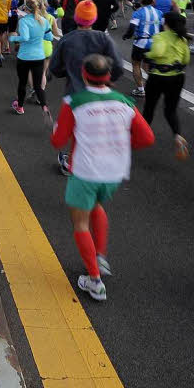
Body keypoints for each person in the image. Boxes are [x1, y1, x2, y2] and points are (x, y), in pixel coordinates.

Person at [50, 53, 155, 302]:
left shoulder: (73, 102)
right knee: (96, 205)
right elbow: (147, 138)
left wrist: (57, 128)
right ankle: (101, 257)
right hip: (114, 172)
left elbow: (58, 141)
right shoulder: (125, 102)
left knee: (80, 224)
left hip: (85, 171)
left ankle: (95, 281)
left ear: (84, 75)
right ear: (108, 76)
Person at [48, 1, 125, 174]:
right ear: (94, 18)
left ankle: (72, 162)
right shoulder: (104, 38)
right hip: (100, 94)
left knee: (75, 130)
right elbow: (118, 66)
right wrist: (106, 80)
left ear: (76, 18)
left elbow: (55, 68)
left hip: (73, 93)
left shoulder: (67, 39)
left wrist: (68, 71)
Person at [142, 12, 191, 160]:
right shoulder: (182, 39)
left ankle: (142, 135)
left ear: (166, 23)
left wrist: (148, 56)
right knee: (170, 110)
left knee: (149, 108)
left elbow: (157, 51)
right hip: (177, 77)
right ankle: (178, 136)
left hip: (158, 77)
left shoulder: (160, 36)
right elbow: (186, 59)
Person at [9, 0, 53, 118]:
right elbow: (49, 38)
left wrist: (13, 38)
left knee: (22, 83)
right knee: (38, 86)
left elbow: (25, 38)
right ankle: (44, 107)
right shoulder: (44, 20)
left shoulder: (24, 21)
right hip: (39, 56)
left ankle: (20, 107)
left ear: (26, 8)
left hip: (24, 56)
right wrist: (38, 36)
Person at [123, 0, 163, 97]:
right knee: (149, 66)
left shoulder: (138, 13)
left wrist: (126, 36)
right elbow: (163, 28)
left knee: (136, 64)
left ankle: (141, 89)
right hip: (154, 43)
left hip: (140, 43)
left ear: (141, 1)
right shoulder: (159, 13)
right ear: (152, 1)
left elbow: (132, 28)